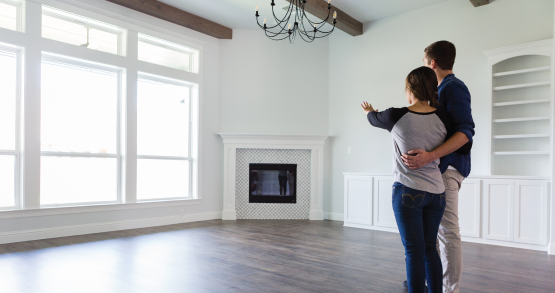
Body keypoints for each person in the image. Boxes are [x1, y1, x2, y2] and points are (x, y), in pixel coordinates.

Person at [362, 66, 453, 293]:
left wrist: (369, 111)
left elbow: (372, 119)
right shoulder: (444, 118)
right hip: (436, 193)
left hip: (408, 191)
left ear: (409, 88)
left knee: (413, 251)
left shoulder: (395, 115)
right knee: (429, 249)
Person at [401, 41, 475, 293]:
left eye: (424, 62)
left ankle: (448, 289)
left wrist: (430, 156)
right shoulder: (441, 90)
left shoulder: (453, 87)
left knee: (447, 233)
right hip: (436, 171)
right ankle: (426, 282)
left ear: (432, 63)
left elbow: (465, 133)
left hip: (446, 170)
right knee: (430, 236)